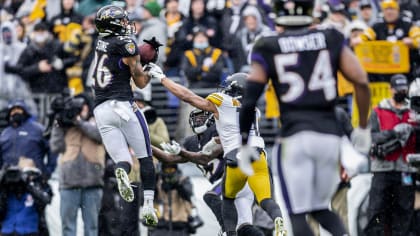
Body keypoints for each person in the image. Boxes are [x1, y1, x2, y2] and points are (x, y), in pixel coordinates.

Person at [238, 0, 371, 235]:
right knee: (321, 209)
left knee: (298, 214)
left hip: (294, 137)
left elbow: (249, 100)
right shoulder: (330, 37)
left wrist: (244, 142)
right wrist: (362, 127)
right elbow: (360, 80)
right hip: (330, 138)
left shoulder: (267, 44)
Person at [144, 67, 285, 236]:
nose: (200, 119)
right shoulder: (254, 110)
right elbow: (170, 158)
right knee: (253, 216)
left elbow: (188, 97)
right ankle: (278, 220)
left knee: (216, 197)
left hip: (236, 165)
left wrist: (163, 78)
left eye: (203, 115)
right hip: (257, 156)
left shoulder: (220, 105)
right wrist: (145, 146)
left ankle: (227, 231)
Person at [92, 5, 157, 226]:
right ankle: (148, 205)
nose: (127, 24)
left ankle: (121, 172)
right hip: (123, 105)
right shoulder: (126, 44)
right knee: (145, 156)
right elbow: (139, 80)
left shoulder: (101, 42)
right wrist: (150, 70)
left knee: (122, 159)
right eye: (122, 21)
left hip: (101, 110)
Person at [366, 74, 417, 235]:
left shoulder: (414, 111)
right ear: (390, 89)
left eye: (404, 88)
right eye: (398, 88)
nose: (401, 91)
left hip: (406, 169)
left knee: (403, 213)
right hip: (382, 169)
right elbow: (369, 138)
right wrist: (393, 133)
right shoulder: (378, 111)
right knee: (377, 211)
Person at [49, 94, 105, 236]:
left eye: (83, 105)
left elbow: (100, 136)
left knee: (91, 228)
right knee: (68, 227)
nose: (81, 109)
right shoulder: (66, 124)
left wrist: (79, 122)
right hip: (69, 183)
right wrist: (57, 123)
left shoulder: (98, 121)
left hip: (92, 183)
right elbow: (55, 147)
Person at [0, 100, 57, 178]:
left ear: (25, 111)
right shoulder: (5, 133)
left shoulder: (38, 129)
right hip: (8, 179)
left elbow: (52, 149)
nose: (16, 112)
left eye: (19, 109)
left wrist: (48, 170)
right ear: (9, 114)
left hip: (32, 177)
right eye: (13, 110)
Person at [0, 162, 52, 236]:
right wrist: (2, 181)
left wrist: (28, 184)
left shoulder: (38, 185)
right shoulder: (7, 188)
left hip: (29, 230)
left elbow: (46, 200)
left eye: (32, 173)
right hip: (8, 229)